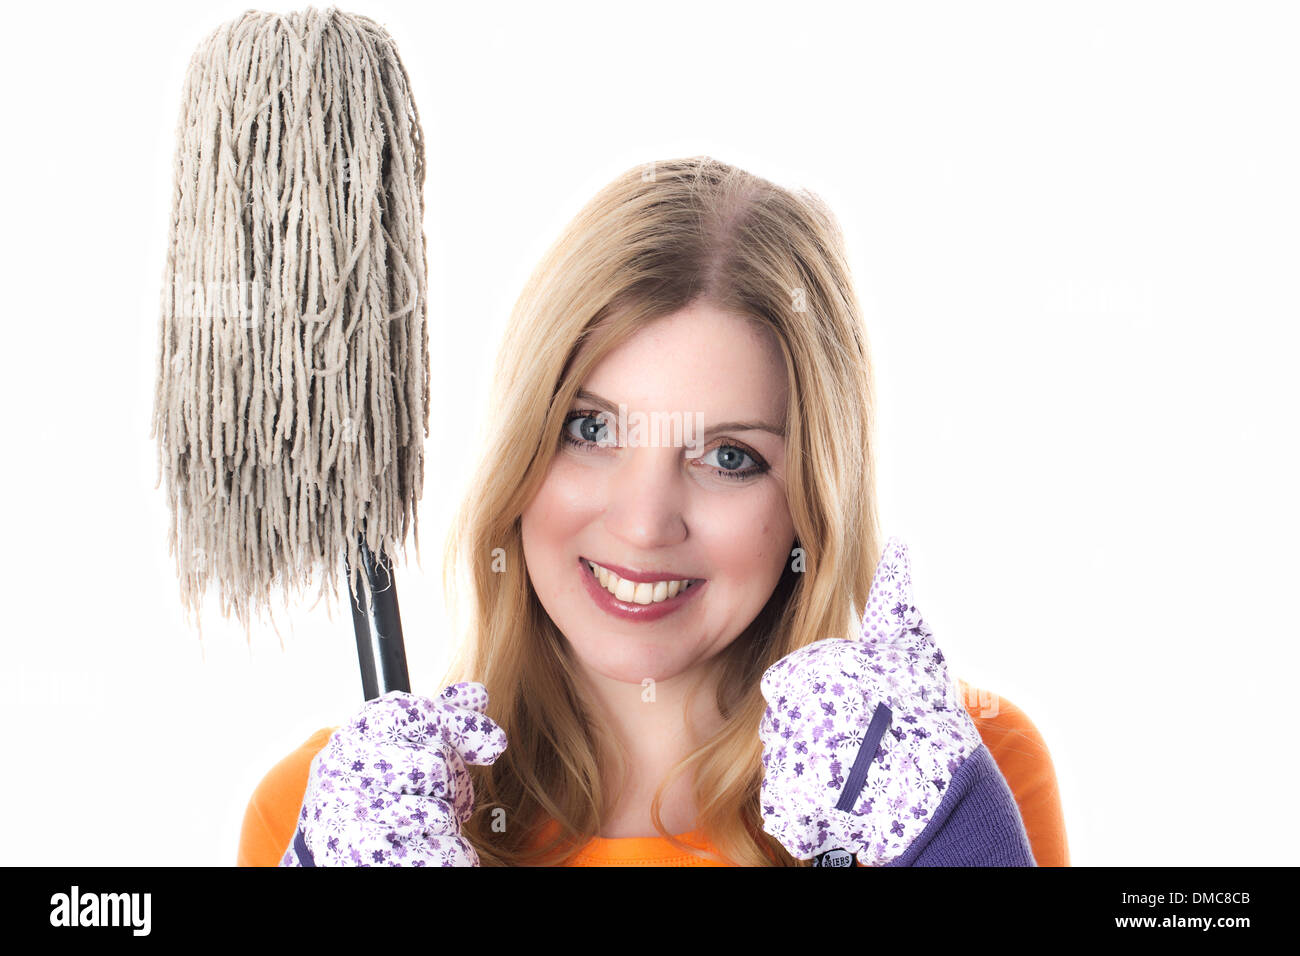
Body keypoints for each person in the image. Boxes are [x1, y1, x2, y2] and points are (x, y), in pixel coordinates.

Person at [240, 156, 1070, 867]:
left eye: (730, 457)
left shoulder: (955, 781)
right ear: (520, 451)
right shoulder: (331, 815)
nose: (643, 523)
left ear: (810, 503)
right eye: (591, 429)